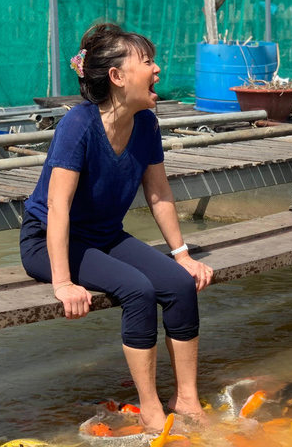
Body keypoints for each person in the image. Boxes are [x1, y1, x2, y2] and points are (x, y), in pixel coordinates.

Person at [20, 23, 213, 430]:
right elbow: (58, 207)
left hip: (104, 236)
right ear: (117, 77)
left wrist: (183, 256)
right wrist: (62, 283)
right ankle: (151, 407)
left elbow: (159, 195)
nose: (157, 70)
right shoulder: (78, 125)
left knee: (178, 285)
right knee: (137, 289)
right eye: (147, 62)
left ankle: (187, 398)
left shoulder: (146, 125)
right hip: (49, 242)